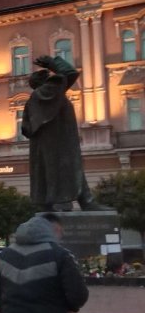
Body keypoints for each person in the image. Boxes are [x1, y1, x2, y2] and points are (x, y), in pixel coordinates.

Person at [23, 55, 108, 212]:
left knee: (64, 169)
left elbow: (27, 127)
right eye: (49, 77)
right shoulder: (48, 91)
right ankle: (81, 202)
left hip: (52, 143)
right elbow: (70, 72)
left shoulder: (41, 96)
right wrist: (52, 64)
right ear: (45, 82)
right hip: (58, 142)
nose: (53, 78)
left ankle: (73, 202)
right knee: (69, 168)